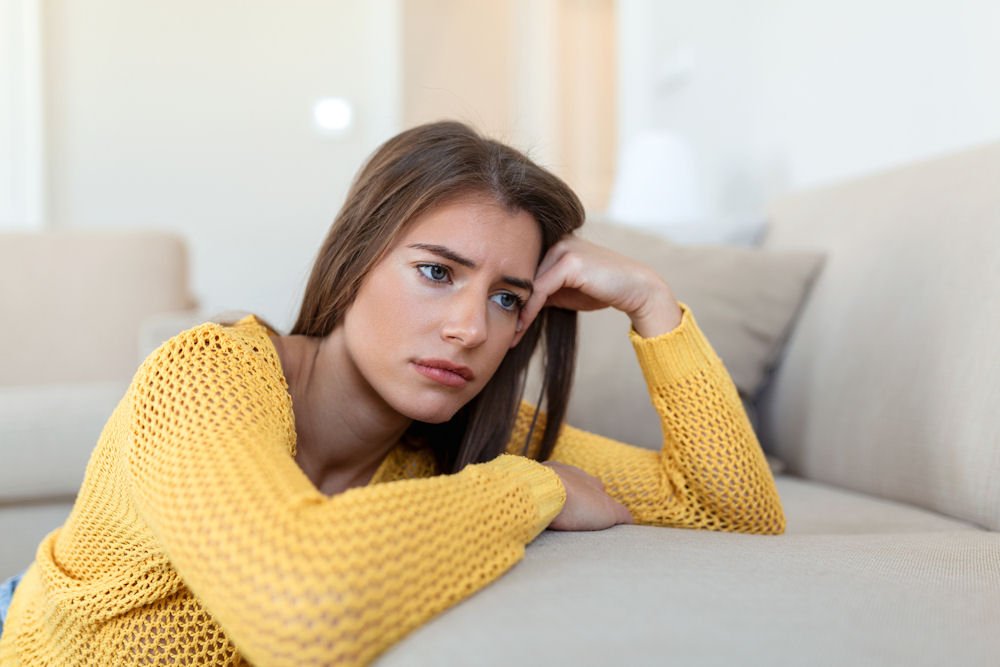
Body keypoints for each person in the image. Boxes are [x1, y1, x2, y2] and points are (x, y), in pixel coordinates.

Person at [0, 121, 785, 666]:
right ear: (355, 260)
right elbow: (300, 611)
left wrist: (653, 305)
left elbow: (732, 509)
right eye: (437, 272)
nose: (469, 328)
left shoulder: (469, 429)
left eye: (507, 297)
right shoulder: (204, 373)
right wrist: (531, 487)